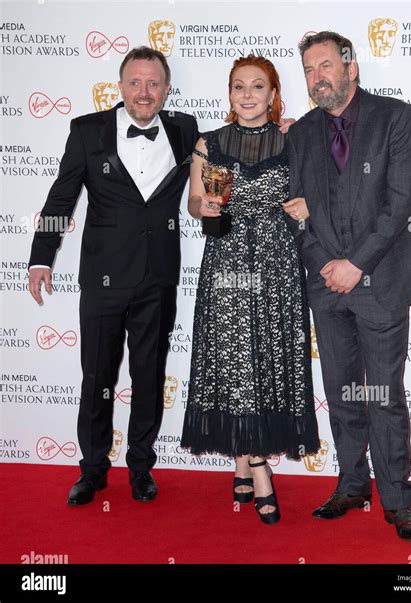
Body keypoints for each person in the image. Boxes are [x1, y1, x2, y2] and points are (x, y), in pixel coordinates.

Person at [28, 46, 198, 505]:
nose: (144, 92)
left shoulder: (185, 131)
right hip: (103, 278)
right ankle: (93, 470)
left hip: (158, 278)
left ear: (166, 88)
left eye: (154, 83)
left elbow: (232, 145)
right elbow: (61, 198)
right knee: (97, 377)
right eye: (135, 83)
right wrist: (41, 257)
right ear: (120, 86)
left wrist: (288, 127)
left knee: (149, 377)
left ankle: (141, 468)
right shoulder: (88, 131)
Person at [287, 32, 411, 540]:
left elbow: (402, 202)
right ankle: (352, 485)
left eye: (326, 65)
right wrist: (328, 264)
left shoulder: (395, 118)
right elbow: (296, 211)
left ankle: (397, 499)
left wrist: (356, 263)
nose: (317, 78)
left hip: (383, 280)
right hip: (326, 283)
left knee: (383, 394)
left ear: (351, 68)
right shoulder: (302, 132)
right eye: (309, 70)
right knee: (341, 391)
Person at [180, 55, 319, 525]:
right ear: (230, 93)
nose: (247, 94)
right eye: (239, 86)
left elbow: (315, 192)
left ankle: (242, 459)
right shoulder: (208, 143)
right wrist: (207, 208)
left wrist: (306, 207)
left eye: (257, 87)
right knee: (236, 359)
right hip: (228, 261)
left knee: (267, 358)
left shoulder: (293, 137)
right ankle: (258, 467)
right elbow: (195, 202)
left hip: (278, 263)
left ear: (273, 93)